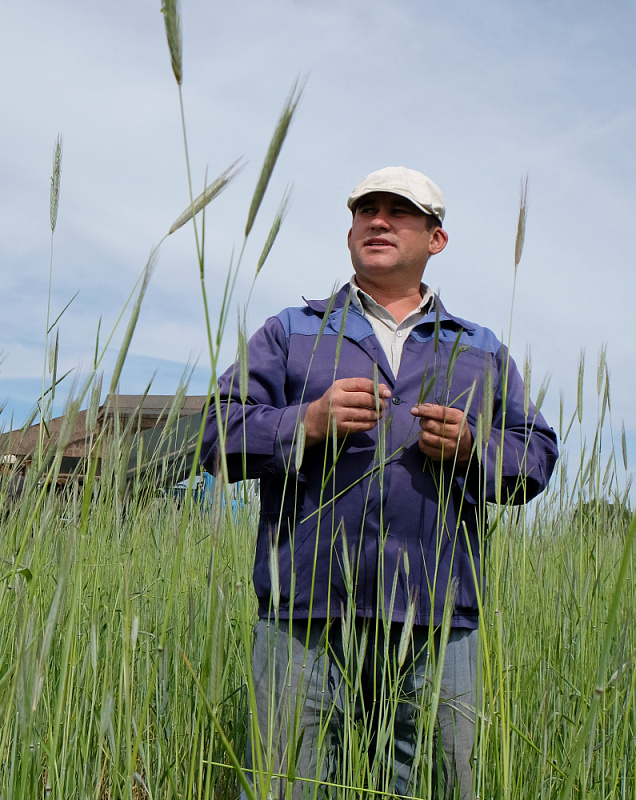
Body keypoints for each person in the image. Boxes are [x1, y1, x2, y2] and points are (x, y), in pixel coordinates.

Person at [202, 166, 559, 799]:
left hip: (437, 621)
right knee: (283, 786)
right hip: (303, 617)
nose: (379, 220)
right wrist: (306, 422)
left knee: (440, 786)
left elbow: (536, 456)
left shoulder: (476, 347)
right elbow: (214, 436)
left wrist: (474, 447)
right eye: (367, 209)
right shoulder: (293, 331)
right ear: (349, 232)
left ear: (435, 239)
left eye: (400, 211)